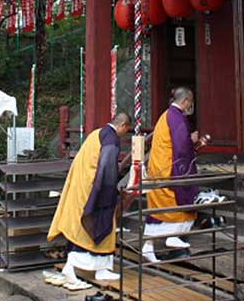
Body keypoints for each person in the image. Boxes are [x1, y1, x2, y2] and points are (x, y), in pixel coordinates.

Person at [47, 113, 132, 288]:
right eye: (127, 130)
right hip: (92, 191)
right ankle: (70, 271)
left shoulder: (97, 134)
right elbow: (107, 168)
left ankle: (102, 269)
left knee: (105, 232)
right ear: (123, 125)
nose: (125, 133)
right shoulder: (110, 139)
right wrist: (110, 191)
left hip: (83, 188)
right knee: (87, 232)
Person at [142, 88, 203, 263]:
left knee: (157, 212)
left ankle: (148, 246)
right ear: (185, 101)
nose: (190, 106)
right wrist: (192, 140)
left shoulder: (166, 115)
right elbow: (182, 146)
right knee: (182, 204)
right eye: (190, 103)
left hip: (158, 170)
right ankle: (174, 236)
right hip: (169, 171)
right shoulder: (177, 118)